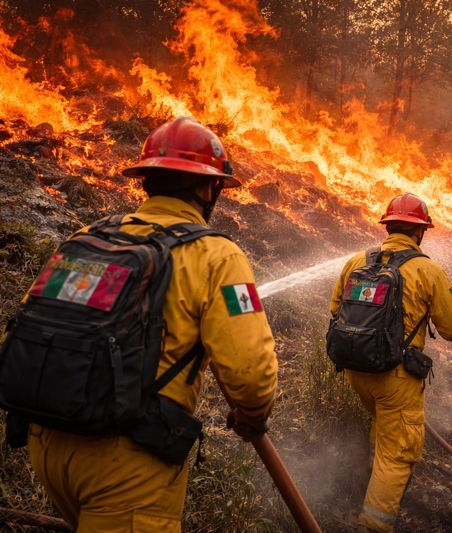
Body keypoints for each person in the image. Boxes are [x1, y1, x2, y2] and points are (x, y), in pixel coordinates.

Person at [26, 117, 279, 531]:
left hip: (48, 442)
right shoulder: (217, 256)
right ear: (210, 187)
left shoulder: (88, 237)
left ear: (146, 180)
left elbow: (34, 324)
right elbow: (251, 374)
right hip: (126, 461)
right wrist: (252, 413)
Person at [329, 192, 452, 532]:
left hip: (355, 369)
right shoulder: (427, 269)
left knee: (384, 430)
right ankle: (374, 525)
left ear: (388, 226)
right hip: (395, 376)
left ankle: (364, 490)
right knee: (399, 451)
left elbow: (335, 311)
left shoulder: (357, 261)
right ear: (420, 231)